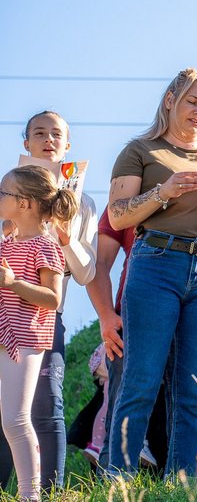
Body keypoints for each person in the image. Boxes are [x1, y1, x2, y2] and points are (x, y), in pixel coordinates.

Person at [104, 68, 197, 484]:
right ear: (170, 99)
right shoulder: (140, 150)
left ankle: (183, 488)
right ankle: (118, 481)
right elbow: (118, 215)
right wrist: (164, 191)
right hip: (156, 264)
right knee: (141, 380)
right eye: (192, 101)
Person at [0, 111, 98, 491]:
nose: (48, 140)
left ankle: (45, 492)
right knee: (10, 412)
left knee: (43, 407)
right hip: (5, 319)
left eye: (56, 134)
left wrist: (64, 236)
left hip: (38, 323)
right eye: (39, 133)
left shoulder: (81, 203)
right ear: (26, 143)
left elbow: (85, 273)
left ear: (67, 144)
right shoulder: (11, 195)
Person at [0, 165, 77, 500]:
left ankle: (30, 495)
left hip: (25, 340)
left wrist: (13, 282)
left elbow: (53, 298)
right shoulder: (8, 243)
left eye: (3, 192)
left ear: (24, 203)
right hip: (5, 336)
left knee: (17, 420)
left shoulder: (45, 246)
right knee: (10, 421)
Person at [85, 212, 167, 474]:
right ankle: (110, 484)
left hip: (188, 320)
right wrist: (106, 315)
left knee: (172, 413)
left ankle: (177, 488)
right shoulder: (123, 201)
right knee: (120, 408)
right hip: (129, 319)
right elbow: (99, 262)